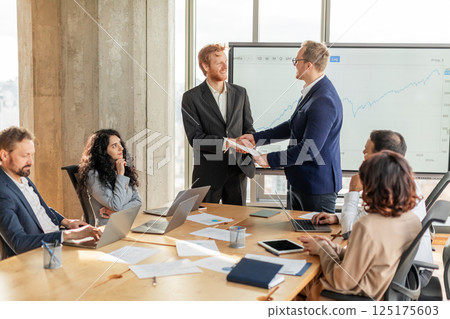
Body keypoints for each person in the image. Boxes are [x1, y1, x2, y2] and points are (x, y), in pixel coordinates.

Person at [311, 130, 434, 286]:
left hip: (410, 274)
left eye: (367, 150)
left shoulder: (395, 192)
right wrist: (337, 217)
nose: (363, 152)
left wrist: (353, 191)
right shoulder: (402, 185)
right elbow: (373, 218)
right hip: (400, 267)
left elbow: (350, 232)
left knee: (313, 277)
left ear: (381, 156)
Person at [299, 151, 422, 300]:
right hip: (378, 292)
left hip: (351, 296)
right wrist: (334, 248)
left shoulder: (367, 225)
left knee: (293, 284)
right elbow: (373, 260)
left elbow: (342, 281)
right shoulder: (412, 220)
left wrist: (323, 249)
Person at [238, 40, 342, 212]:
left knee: (314, 237)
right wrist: (256, 138)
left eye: (297, 61)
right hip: (301, 182)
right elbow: (292, 125)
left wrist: (269, 159)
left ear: (308, 65)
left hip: (316, 188)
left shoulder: (323, 100)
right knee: (296, 235)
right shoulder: (312, 92)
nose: (295, 65)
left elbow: (309, 149)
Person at [0, 127, 102, 258]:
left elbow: (38, 208)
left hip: (58, 240)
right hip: (40, 254)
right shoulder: (3, 192)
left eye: (32, 155)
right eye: (25, 155)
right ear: (4, 155)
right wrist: (71, 235)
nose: (30, 162)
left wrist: (67, 222)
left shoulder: (21, 176)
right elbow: (19, 243)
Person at [181, 43, 255, 205]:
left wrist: (249, 144)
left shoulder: (240, 93)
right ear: (205, 66)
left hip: (237, 171)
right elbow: (196, 139)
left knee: (238, 224)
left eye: (225, 62)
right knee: (203, 226)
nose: (225, 67)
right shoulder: (191, 98)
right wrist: (229, 143)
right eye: (219, 63)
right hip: (208, 174)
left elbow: (249, 129)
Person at [78, 129, 142, 226]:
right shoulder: (93, 175)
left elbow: (138, 201)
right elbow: (116, 205)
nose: (121, 148)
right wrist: (121, 174)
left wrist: (117, 212)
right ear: (103, 151)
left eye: (120, 143)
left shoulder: (121, 168)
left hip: (126, 224)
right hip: (108, 229)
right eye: (114, 146)